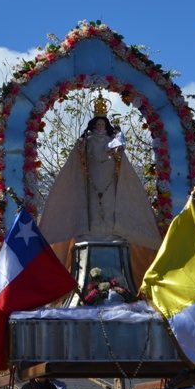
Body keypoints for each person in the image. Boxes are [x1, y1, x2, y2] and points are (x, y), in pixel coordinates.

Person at [38, 93, 162, 288]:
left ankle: (110, 231)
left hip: (110, 181)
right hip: (92, 182)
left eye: (103, 124)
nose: (100, 127)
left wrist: (118, 151)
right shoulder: (86, 142)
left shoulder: (114, 142)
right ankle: (94, 231)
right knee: (93, 208)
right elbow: (78, 161)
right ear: (93, 125)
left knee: (111, 206)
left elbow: (121, 163)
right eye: (97, 124)